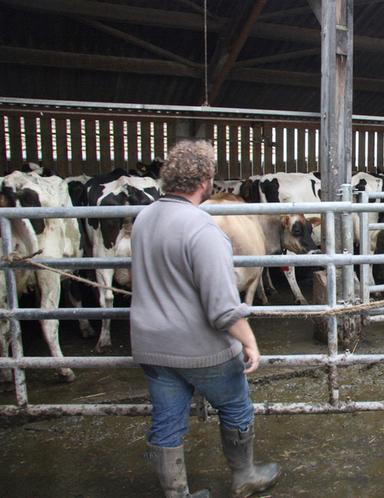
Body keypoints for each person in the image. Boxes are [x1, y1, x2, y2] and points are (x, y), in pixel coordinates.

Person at [130, 140, 280, 498]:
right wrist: (249, 341)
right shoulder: (203, 229)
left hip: (152, 346)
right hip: (201, 349)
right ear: (205, 180)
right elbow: (223, 308)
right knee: (235, 405)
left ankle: (177, 494)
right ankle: (245, 476)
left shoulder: (144, 218)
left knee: (166, 421)